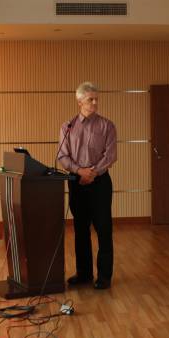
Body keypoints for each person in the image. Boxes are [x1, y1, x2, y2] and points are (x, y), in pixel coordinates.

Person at [57, 81, 118, 290]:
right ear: (79, 101)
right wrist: (79, 171)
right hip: (76, 182)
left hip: (100, 182)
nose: (94, 103)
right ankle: (84, 274)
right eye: (90, 99)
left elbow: (110, 156)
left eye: (96, 99)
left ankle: (104, 276)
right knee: (81, 229)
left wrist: (91, 173)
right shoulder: (67, 127)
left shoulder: (107, 126)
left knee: (103, 228)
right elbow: (62, 156)